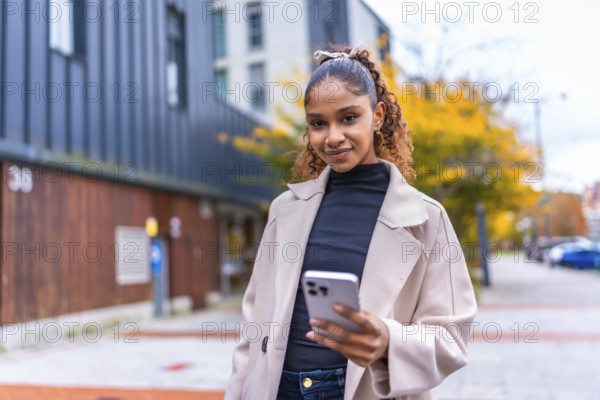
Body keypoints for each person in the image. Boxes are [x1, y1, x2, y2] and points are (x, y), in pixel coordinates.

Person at [224, 45, 478, 400]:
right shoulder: (285, 210)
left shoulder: (426, 217)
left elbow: (451, 338)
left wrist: (388, 340)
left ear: (377, 116)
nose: (332, 137)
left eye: (348, 118)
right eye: (318, 123)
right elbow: (253, 328)